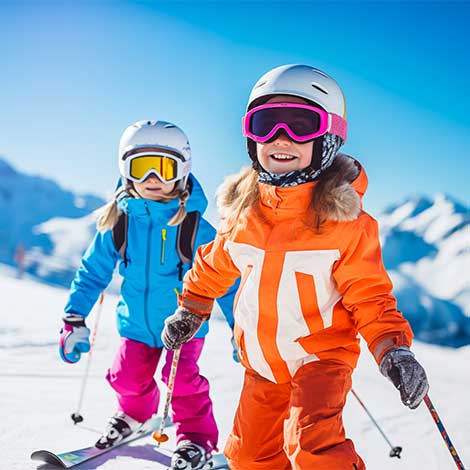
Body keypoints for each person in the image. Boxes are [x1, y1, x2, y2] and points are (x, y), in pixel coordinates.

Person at [161, 65, 430, 469]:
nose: (280, 138)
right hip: (263, 364)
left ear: (328, 138)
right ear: (251, 137)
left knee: (312, 446)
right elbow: (213, 265)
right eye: (265, 124)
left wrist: (394, 349)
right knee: (250, 457)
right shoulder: (244, 214)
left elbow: (369, 295)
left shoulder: (346, 224)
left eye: (302, 125)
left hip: (320, 359)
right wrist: (192, 307)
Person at [59, 120, 237, 470]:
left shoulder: (196, 228)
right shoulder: (119, 222)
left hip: (184, 327)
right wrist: (73, 318)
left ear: (182, 171)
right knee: (127, 376)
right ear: (126, 171)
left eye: (164, 166)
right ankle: (134, 415)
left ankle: (196, 438)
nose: (153, 177)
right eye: (142, 166)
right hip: (136, 325)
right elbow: (93, 271)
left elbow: (228, 282)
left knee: (182, 381)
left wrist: (239, 330)